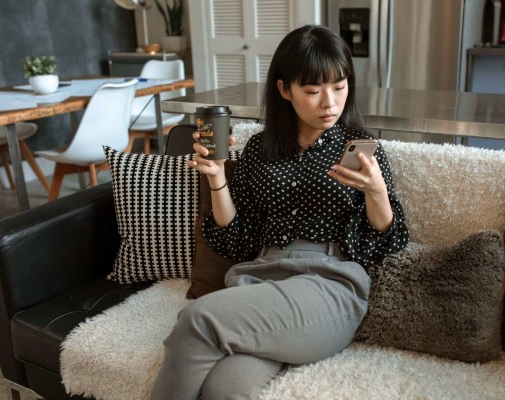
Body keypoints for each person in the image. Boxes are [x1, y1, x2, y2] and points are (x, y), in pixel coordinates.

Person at [150, 24, 409, 400]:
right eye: (313, 89)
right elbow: (236, 237)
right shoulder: (259, 149)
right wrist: (217, 177)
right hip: (262, 278)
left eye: (339, 86)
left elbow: (388, 239)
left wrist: (377, 192)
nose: (330, 102)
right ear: (284, 89)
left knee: (198, 319)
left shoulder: (360, 149)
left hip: (330, 285)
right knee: (224, 390)